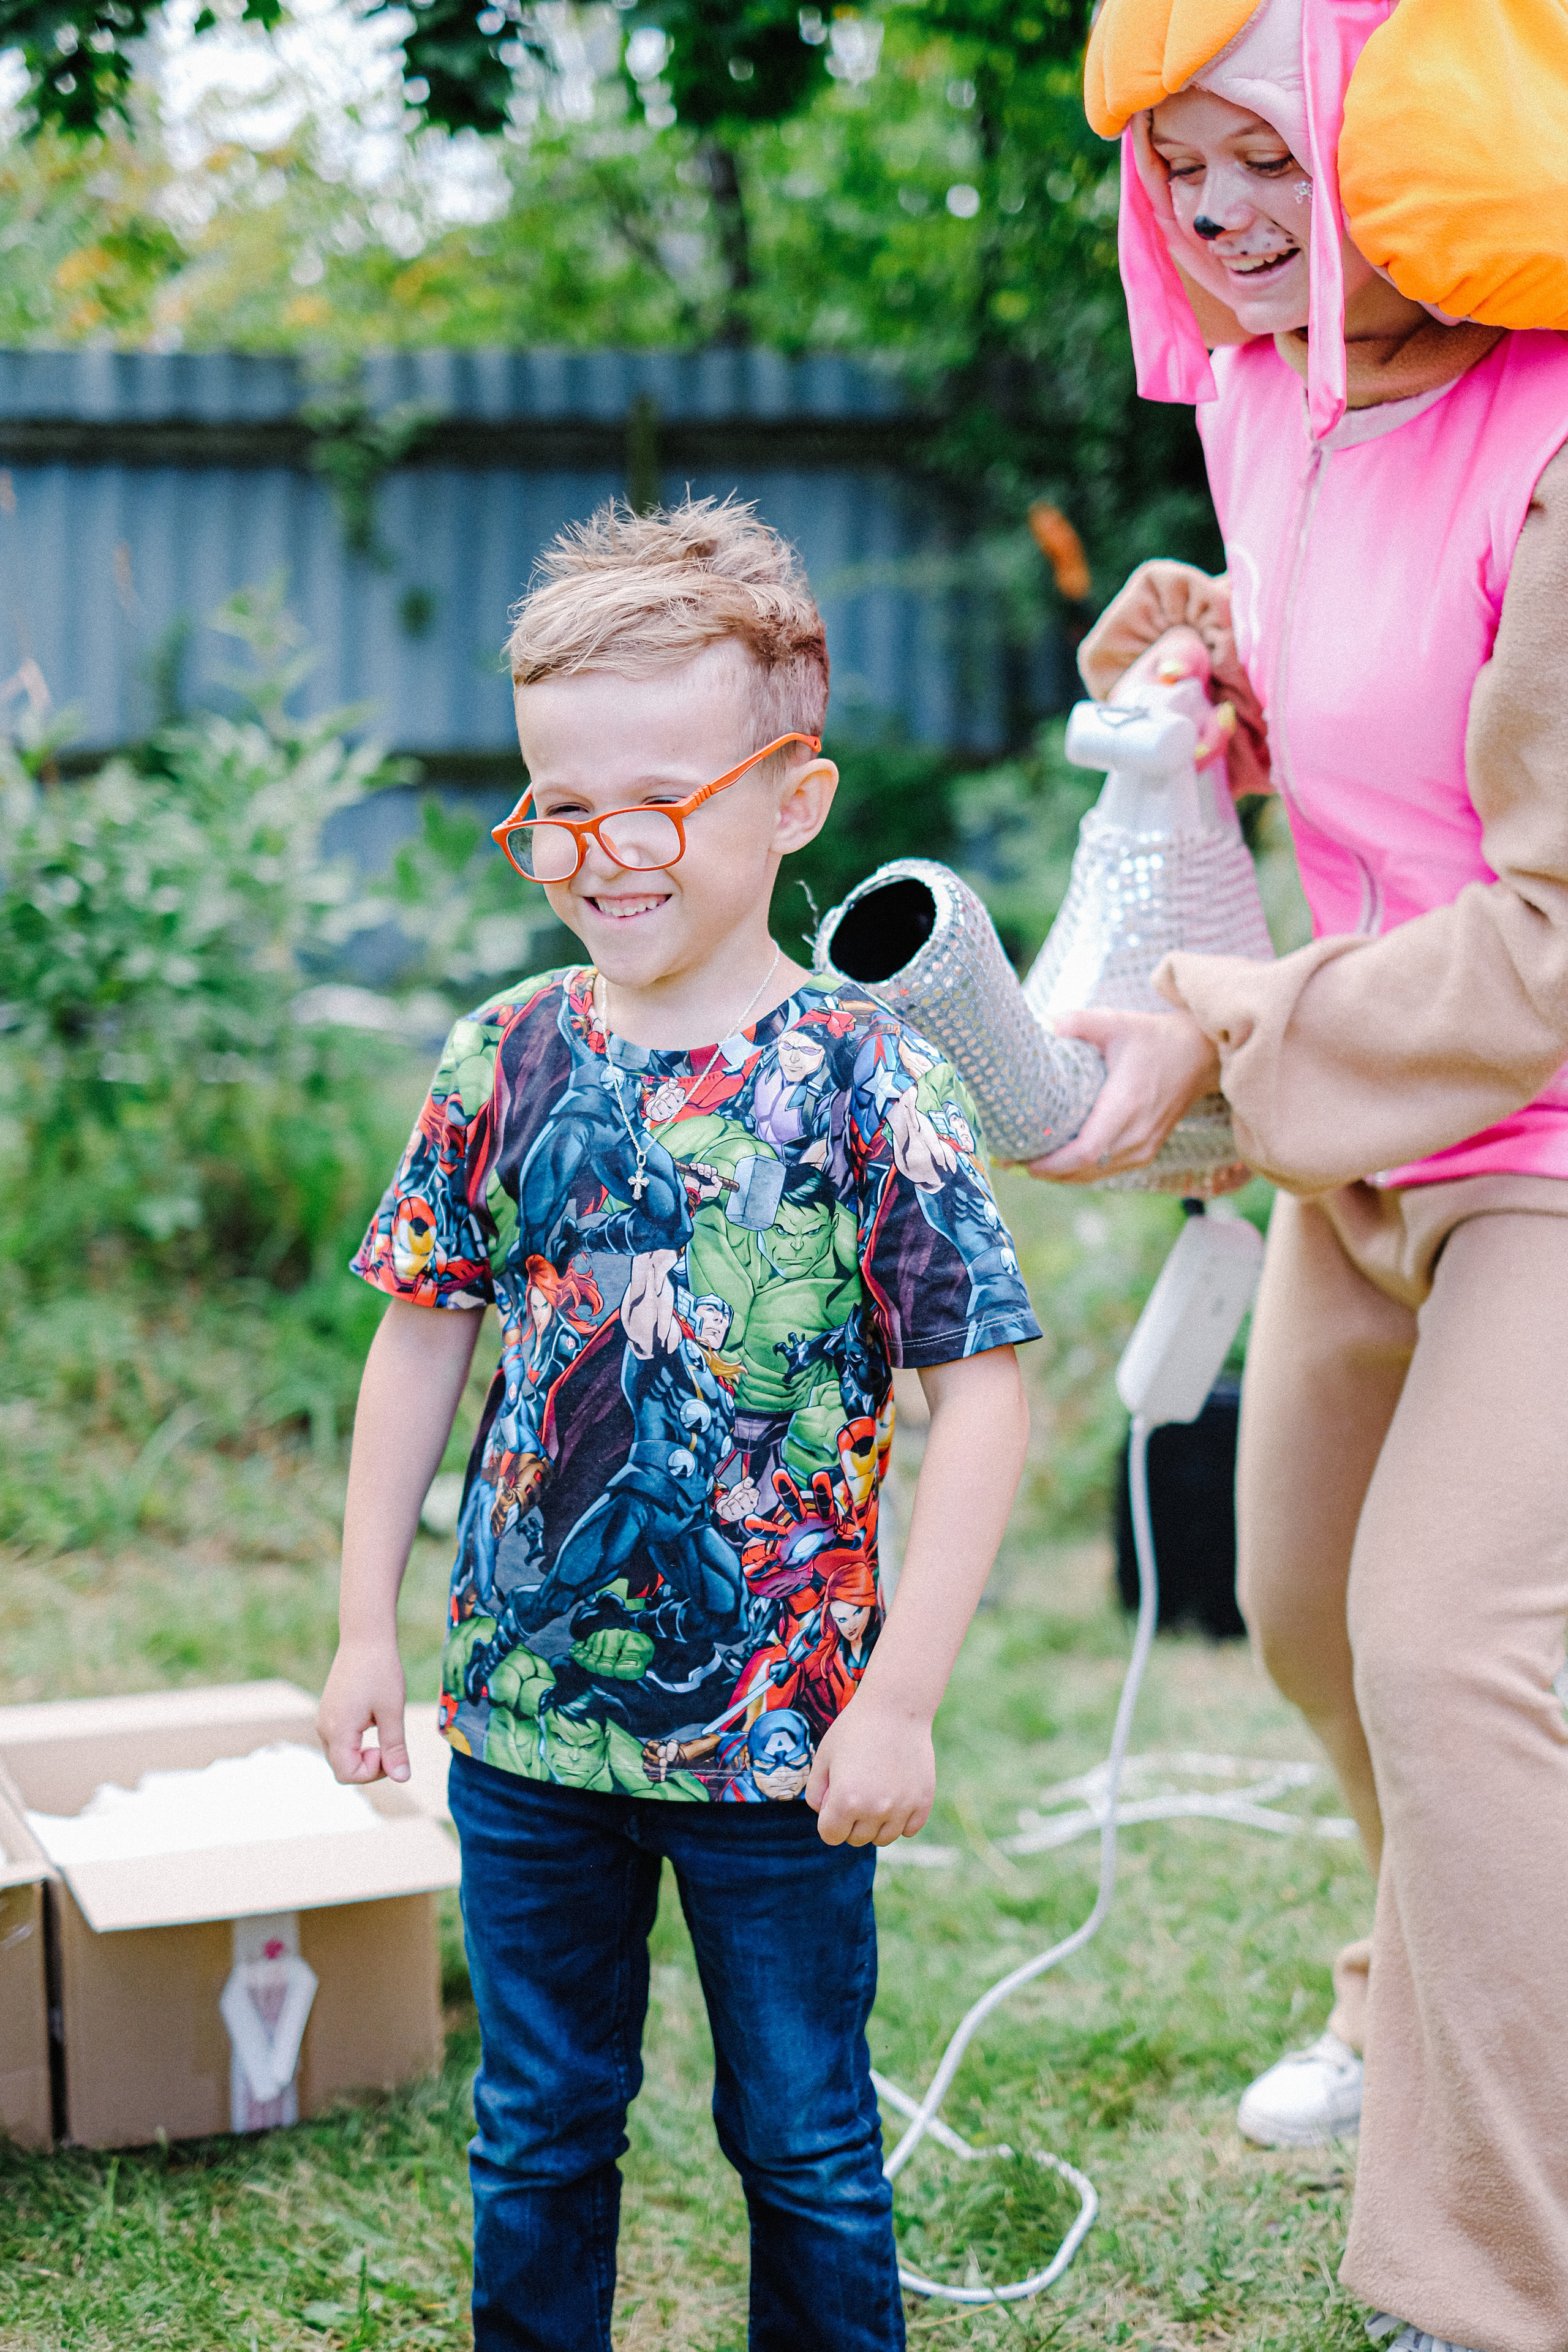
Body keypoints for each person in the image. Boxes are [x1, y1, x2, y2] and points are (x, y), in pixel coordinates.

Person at [317, 494, 1041, 2352]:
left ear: (792, 796)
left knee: (801, 2137)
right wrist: (361, 1630)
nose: (597, 853)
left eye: (653, 801)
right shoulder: (502, 1056)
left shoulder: (878, 1081)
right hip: (527, 1729)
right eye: (556, 806)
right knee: (539, 2129)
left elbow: (985, 1394)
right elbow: (419, 1345)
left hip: (790, 1754)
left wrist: (902, 1695)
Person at [1039, 7, 1568, 2350]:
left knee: (1457, 1653)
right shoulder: (1271, 394)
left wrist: (1240, 1030)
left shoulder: (1558, 439)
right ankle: (1427, 1989)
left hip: (1540, 1144)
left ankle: (1502, 2271)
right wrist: (1214, 656)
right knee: (1304, 1614)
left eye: (1275, 154)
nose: (1228, 215)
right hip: (1364, 1130)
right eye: (1183, 169)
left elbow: (1552, 924)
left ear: (1409, 150)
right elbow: (1373, 706)